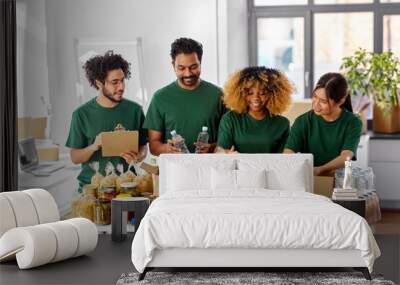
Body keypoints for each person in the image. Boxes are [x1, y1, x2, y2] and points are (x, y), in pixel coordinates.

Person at [66, 51, 147, 192]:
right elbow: (75, 157)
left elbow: (143, 147)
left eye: (122, 81)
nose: (121, 87)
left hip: (128, 188)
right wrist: (94, 146)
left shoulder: (135, 110)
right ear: (99, 83)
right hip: (92, 192)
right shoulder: (81, 114)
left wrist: (138, 156)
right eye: (114, 82)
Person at [144, 37, 225, 155]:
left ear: (200, 63)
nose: (188, 73)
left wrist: (212, 147)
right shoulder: (160, 98)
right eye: (181, 68)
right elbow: (154, 146)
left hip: (211, 169)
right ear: (173, 65)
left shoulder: (218, 95)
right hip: (175, 171)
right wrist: (168, 149)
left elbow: (230, 140)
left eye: (193, 67)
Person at [284, 72, 362, 176]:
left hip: (340, 180)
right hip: (310, 178)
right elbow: (288, 151)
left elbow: (346, 156)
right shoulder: (303, 121)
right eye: (315, 97)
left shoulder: (352, 122)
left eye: (323, 102)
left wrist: (321, 169)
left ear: (340, 101)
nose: (316, 104)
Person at [216, 66, 293, 153]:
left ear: (272, 95)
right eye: (250, 93)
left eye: (262, 93)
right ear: (241, 94)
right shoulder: (230, 119)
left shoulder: (282, 124)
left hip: (269, 166)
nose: (255, 98)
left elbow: (284, 158)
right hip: (237, 166)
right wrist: (226, 153)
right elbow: (220, 150)